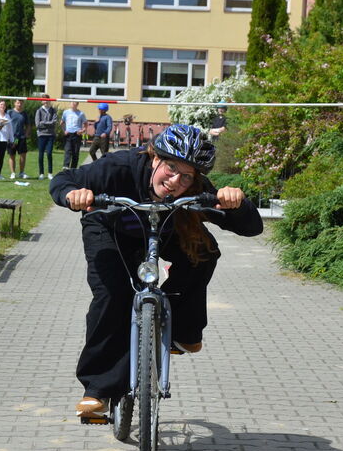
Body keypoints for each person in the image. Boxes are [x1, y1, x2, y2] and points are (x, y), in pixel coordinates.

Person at [49, 124, 264, 417]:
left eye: (187, 176)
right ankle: (97, 391)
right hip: (108, 229)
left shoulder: (195, 189)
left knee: (203, 252)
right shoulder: (118, 167)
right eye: (171, 167)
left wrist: (235, 204)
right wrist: (74, 194)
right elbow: (64, 179)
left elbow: (252, 227)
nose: (175, 181)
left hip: (161, 228)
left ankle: (181, 329)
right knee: (113, 294)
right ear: (154, 158)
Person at [34, 99, 58, 179]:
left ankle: (50, 173)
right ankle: (41, 173)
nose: (46, 102)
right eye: (44, 100)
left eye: (47, 100)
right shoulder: (39, 111)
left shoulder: (53, 110)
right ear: (42, 102)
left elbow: (54, 122)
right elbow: (37, 124)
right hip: (41, 135)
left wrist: (43, 122)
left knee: (49, 153)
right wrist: (48, 123)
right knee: (41, 154)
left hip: (50, 135)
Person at [8, 99, 30, 179]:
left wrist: (27, 134)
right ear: (14, 103)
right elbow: (5, 123)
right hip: (12, 138)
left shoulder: (24, 114)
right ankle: (13, 173)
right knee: (12, 155)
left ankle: (21, 173)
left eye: (21, 103)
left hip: (21, 137)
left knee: (23, 155)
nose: (19, 104)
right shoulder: (10, 112)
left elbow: (28, 125)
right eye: (18, 103)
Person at [61, 101, 86, 170]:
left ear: (77, 104)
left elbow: (85, 124)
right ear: (70, 103)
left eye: (75, 103)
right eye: (72, 102)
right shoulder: (66, 112)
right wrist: (64, 131)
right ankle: (66, 166)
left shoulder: (81, 114)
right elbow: (62, 123)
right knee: (67, 150)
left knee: (75, 152)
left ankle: (73, 168)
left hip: (77, 134)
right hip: (68, 134)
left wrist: (82, 131)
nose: (73, 104)